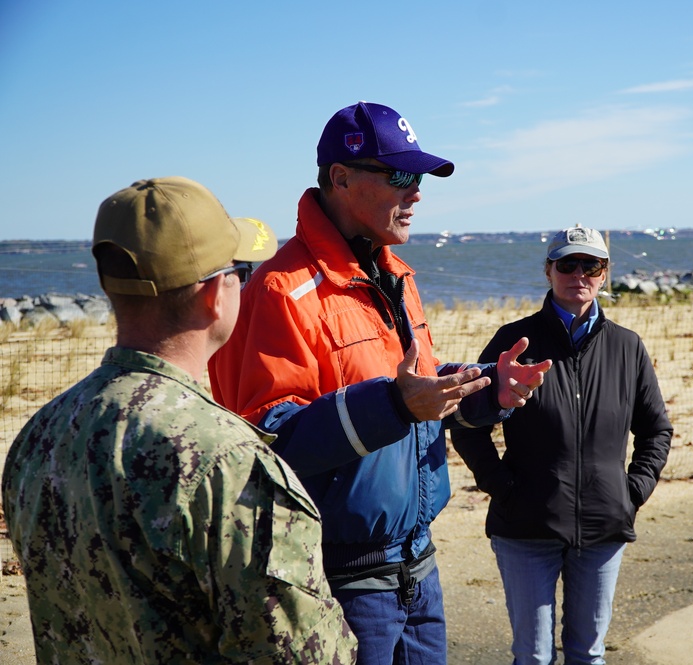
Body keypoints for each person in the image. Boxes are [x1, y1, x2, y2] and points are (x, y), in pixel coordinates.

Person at [209, 101, 550, 665]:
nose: (416, 192)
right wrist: (394, 404)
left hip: (419, 566)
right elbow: (270, 444)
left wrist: (489, 388)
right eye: (400, 176)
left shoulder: (396, 273)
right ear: (340, 178)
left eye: (418, 178)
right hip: (338, 580)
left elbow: (417, 390)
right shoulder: (279, 290)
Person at [1, 176, 357, 664]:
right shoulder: (228, 461)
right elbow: (303, 655)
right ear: (214, 294)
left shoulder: (38, 436)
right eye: (242, 272)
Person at [450, 226, 673, 665]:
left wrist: (631, 492)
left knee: (588, 653)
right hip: (525, 526)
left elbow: (656, 430)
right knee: (532, 656)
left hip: (604, 528)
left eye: (591, 265)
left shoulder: (627, 347)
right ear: (548, 271)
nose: (579, 274)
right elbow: (467, 421)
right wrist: (501, 485)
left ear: (605, 275)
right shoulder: (516, 342)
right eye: (567, 264)